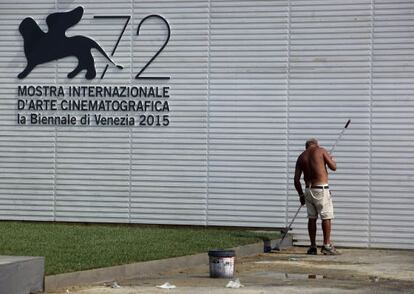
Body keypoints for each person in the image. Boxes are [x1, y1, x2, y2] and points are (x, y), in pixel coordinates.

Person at [294, 138, 340, 255]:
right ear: (316, 144)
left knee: (312, 218)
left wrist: (301, 195)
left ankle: (313, 246)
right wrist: (330, 159)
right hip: (321, 189)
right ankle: (326, 245)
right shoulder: (321, 151)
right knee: (326, 216)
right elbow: (334, 167)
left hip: (308, 190)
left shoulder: (301, 156)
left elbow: (296, 180)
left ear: (306, 146)